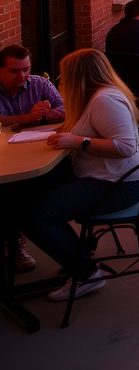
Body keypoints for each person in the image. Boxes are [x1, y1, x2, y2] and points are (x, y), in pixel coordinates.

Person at [21, 49, 139, 302]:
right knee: (33, 193)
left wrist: (78, 141)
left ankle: (87, 273)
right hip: (106, 177)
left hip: (118, 184)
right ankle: (75, 256)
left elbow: (125, 147)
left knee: (36, 217)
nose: (60, 80)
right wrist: (66, 126)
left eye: (65, 75)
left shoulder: (105, 100)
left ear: (80, 76)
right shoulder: (95, 98)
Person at [0, 44, 66, 272]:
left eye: (26, 69)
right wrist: (30, 116)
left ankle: (16, 242)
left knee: (27, 189)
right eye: (14, 71)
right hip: (5, 156)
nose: (22, 75)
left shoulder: (40, 83)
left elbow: (64, 110)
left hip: (34, 152)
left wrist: (46, 113)